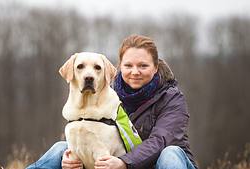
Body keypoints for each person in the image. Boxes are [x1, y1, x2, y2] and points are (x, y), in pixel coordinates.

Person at [26, 34, 198, 169]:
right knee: (61, 148)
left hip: (159, 164)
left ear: (155, 67)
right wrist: (71, 160)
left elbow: (160, 141)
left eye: (143, 66)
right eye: (128, 65)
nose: (135, 72)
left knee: (170, 153)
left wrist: (123, 162)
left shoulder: (172, 99)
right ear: (120, 67)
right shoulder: (107, 95)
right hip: (119, 164)